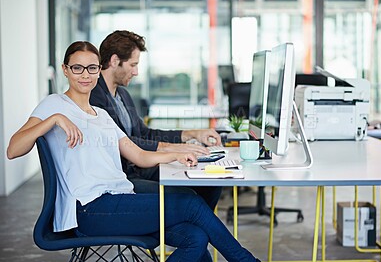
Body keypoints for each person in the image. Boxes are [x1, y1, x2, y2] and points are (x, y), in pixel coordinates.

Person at [7, 41, 260, 262]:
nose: (85, 75)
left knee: (195, 236)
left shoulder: (102, 115)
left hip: (120, 199)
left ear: (99, 70)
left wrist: (177, 154)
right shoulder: (54, 104)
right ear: (65, 70)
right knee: (191, 204)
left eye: (92, 68)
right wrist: (53, 120)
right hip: (90, 209)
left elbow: (138, 155)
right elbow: (13, 149)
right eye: (77, 68)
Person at [90, 30, 222, 209]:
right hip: (124, 176)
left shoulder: (122, 95)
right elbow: (124, 142)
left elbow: (146, 133)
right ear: (114, 61)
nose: (136, 72)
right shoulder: (95, 97)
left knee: (210, 183)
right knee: (188, 195)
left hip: (140, 166)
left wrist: (192, 134)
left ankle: (191, 230)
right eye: (133, 64)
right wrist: (174, 149)